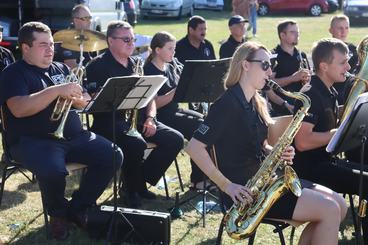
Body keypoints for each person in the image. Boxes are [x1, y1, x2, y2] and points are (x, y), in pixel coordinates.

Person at [186, 41, 346, 245]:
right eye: (265, 65)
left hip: (266, 182)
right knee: (329, 209)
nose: (270, 72)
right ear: (245, 65)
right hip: (245, 194)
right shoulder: (227, 104)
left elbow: (260, 145)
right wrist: (228, 187)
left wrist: (277, 152)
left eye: (271, 65)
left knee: (340, 205)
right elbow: (194, 147)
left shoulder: (255, 101)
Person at [0, 22, 123, 240]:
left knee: (113, 155)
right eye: (42, 45)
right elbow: (19, 109)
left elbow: (84, 100)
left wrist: (79, 99)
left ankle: (78, 208)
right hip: (33, 141)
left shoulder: (62, 68)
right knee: (53, 171)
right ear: (25, 48)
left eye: (51, 45)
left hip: (74, 136)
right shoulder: (13, 73)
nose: (50, 50)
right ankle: (58, 215)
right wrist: (57, 91)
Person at [86, 21, 184, 208]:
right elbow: (94, 102)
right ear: (111, 41)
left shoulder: (136, 64)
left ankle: (139, 182)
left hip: (137, 120)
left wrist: (150, 118)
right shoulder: (97, 66)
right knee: (136, 143)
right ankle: (131, 191)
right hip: (109, 122)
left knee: (176, 139)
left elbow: (150, 99)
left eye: (133, 39)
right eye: (126, 40)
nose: (131, 43)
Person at [293, 38, 368, 244]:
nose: (349, 67)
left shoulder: (330, 90)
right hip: (309, 170)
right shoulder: (310, 94)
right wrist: (339, 132)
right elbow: (302, 142)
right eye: (343, 62)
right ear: (324, 66)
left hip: (326, 163)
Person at [143, 31, 205, 190]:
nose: (174, 52)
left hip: (174, 111)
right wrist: (177, 90)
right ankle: (197, 180)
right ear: (158, 50)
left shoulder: (171, 67)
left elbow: (180, 96)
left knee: (205, 124)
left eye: (174, 49)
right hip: (159, 116)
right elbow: (154, 102)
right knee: (197, 127)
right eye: (170, 49)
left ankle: (199, 178)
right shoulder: (148, 70)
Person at [266, 20, 311, 116]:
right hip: (281, 108)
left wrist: (306, 80)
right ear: (282, 35)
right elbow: (268, 84)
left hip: (301, 105)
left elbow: (309, 80)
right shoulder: (273, 56)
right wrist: (293, 78)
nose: (297, 35)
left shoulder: (301, 55)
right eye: (292, 32)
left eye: (298, 32)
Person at [329, 14, 359, 104]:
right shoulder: (325, 50)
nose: (343, 31)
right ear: (331, 30)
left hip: (353, 90)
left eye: (346, 28)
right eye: (340, 28)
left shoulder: (354, 49)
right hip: (335, 92)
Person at [56, 4, 98, 68]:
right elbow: (72, 66)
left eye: (90, 18)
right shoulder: (69, 39)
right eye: (86, 18)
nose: (90, 22)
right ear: (76, 20)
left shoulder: (87, 37)